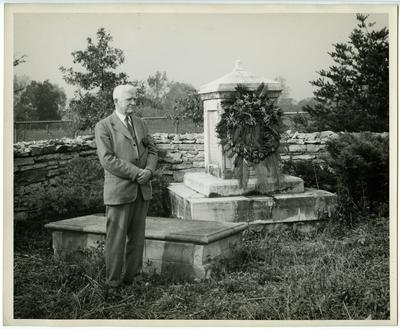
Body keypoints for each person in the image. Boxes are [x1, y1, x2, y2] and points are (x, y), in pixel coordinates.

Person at [95, 84, 158, 295]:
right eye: (129, 99)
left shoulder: (140, 123)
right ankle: (113, 284)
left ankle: (134, 278)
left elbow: (152, 149)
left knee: (137, 239)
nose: (133, 103)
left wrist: (149, 170)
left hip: (142, 190)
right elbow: (107, 159)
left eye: (135, 99)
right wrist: (136, 173)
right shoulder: (104, 126)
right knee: (116, 240)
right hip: (119, 192)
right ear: (116, 101)